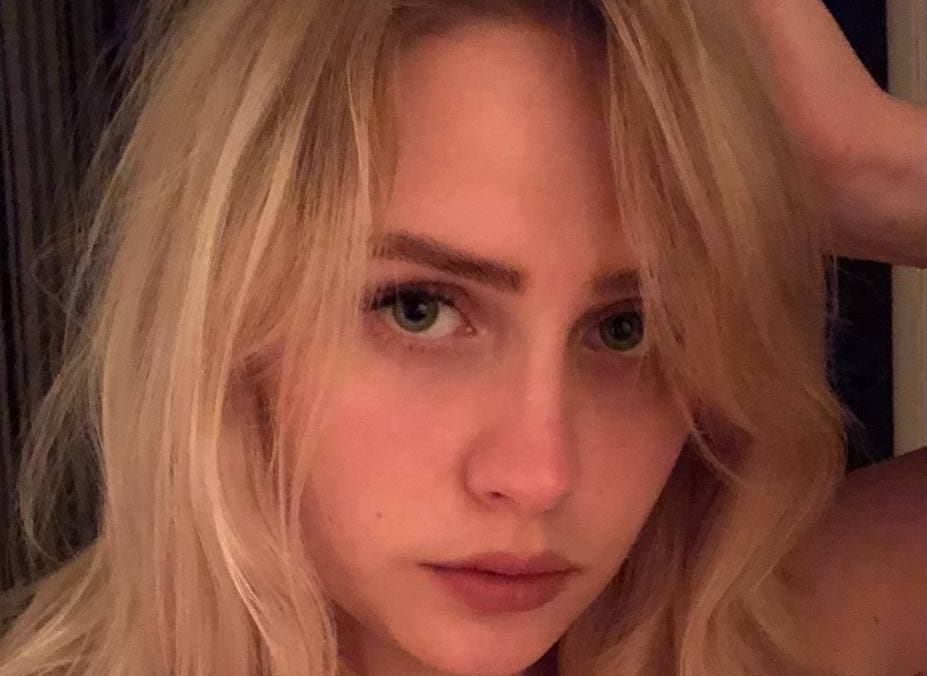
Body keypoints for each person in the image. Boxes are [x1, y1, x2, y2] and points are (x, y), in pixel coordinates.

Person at [0, 1, 924, 675]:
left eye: (627, 328)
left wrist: (876, 172)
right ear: (223, 313)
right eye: (420, 309)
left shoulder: (750, 640)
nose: (538, 475)